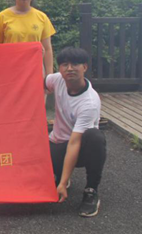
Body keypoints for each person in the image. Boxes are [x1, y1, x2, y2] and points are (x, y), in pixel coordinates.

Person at [45, 47, 106, 217]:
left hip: (80, 149)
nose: (70, 68)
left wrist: (63, 182)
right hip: (57, 143)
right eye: (65, 65)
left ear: (84, 67)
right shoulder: (57, 80)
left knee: (95, 137)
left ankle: (91, 190)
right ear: (59, 68)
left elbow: (74, 142)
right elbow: (33, 82)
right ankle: (59, 176)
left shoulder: (89, 102)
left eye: (75, 64)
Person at [0, 0, 56, 76]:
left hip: (35, 72)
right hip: (10, 72)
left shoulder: (42, 18)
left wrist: (49, 76)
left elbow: (47, 49)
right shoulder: (2, 17)